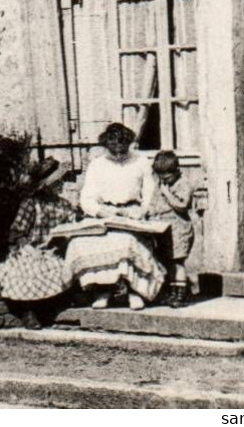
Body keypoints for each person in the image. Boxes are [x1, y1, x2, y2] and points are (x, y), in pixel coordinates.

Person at [63, 122, 166, 309]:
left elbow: (150, 194)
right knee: (80, 243)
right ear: (106, 146)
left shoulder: (141, 162)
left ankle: (135, 290)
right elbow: (87, 198)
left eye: (122, 150)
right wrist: (102, 211)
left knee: (126, 240)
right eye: (113, 150)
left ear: (128, 144)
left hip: (132, 214)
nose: (118, 154)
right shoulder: (97, 165)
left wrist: (139, 212)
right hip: (104, 214)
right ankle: (103, 291)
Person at [0, 157, 77, 326]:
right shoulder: (31, 204)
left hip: (53, 250)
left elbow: (72, 228)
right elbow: (17, 232)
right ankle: (27, 311)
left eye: (61, 180)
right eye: (57, 181)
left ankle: (47, 308)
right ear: (46, 186)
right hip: (28, 248)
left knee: (58, 266)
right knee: (28, 269)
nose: (61, 184)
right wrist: (28, 248)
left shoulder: (64, 205)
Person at [146, 150, 194, 307]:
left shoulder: (184, 184)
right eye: (160, 177)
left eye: (167, 177)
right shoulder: (160, 184)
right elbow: (154, 202)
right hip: (163, 231)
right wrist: (149, 212)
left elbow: (182, 205)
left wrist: (167, 194)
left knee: (177, 262)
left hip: (178, 230)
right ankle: (171, 292)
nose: (163, 180)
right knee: (167, 262)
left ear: (176, 171)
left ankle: (181, 294)